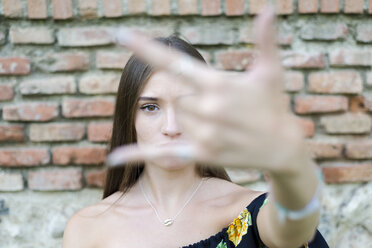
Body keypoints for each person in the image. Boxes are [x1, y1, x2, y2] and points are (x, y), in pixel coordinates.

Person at [62, 8, 329, 248]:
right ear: (129, 117)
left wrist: (292, 166)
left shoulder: (250, 211)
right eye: (150, 107)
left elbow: (294, 228)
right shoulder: (87, 227)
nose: (172, 127)